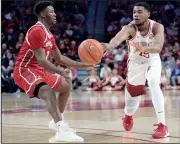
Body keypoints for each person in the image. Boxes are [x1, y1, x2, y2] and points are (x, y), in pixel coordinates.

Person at [13, 1, 94, 142]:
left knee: (66, 87)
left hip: (38, 70)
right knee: (48, 92)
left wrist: (84, 65)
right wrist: (61, 71)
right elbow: (42, 61)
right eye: (51, 11)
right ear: (43, 14)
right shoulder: (36, 30)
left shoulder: (49, 34)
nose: (55, 14)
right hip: (25, 70)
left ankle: (57, 121)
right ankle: (61, 129)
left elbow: (60, 58)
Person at [101, 2, 169, 138]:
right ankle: (128, 115)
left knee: (154, 83)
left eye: (139, 12)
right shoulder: (129, 28)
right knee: (132, 104)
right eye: (134, 12)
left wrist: (143, 48)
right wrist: (107, 46)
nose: (136, 15)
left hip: (152, 60)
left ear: (148, 14)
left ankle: (163, 125)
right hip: (135, 64)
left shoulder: (157, 27)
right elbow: (116, 39)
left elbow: (157, 48)